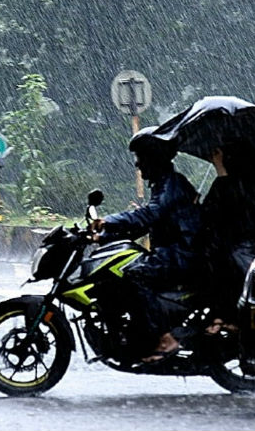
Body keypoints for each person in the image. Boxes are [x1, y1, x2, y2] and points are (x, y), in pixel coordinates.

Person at [147, 143, 255, 360]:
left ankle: (220, 318)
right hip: (238, 247)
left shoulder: (244, 184)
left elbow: (224, 213)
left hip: (241, 253)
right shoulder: (247, 182)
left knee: (211, 264)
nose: (214, 154)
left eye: (220, 152)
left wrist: (221, 171)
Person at [90, 133, 202, 361]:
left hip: (181, 253)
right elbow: (146, 224)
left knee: (134, 276)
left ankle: (164, 338)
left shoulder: (171, 184)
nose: (137, 163)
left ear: (155, 159)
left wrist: (109, 220)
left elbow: (149, 214)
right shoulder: (164, 184)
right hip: (174, 250)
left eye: (141, 157)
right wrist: (102, 236)